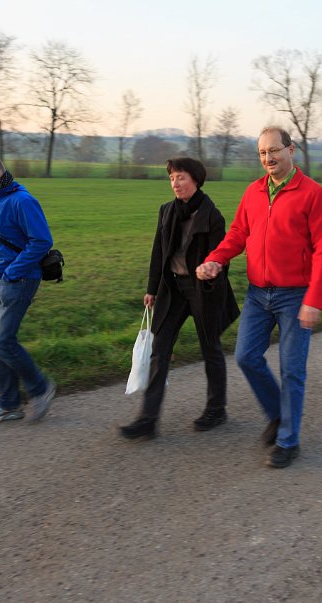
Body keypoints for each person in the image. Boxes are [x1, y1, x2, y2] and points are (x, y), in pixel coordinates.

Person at [196, 127, 322, 469]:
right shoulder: (254, 191)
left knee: (292, 370)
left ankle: (288, 441)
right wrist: (216, 259)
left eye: (274, 150)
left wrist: (314, 299)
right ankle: (278, 414)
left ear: (291, 149)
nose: (268, 158)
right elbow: (239, 233)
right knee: (245, 356)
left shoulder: (312, 193)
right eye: (262, 153)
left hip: (295, 295)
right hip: (259, 293)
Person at [119, 158, 240, 440]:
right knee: (159, 350)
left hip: (202, 291)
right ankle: (147, 420)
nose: (175, 183)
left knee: (210, 348)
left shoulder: (212, 216)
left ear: (196, 180)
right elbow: (158, 254)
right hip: (172, 289)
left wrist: (210, 275)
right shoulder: (166, 212)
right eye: (172, 178)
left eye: (181, 177)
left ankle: (216, 409)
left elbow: (222, 260)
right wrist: (152, 289)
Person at [0, 153, 56, 423]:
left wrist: (12, 272)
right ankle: (8, 405)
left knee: (4, 342)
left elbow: (41, 241)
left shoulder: (22, 201)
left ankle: (41, 388)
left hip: (18, 281)